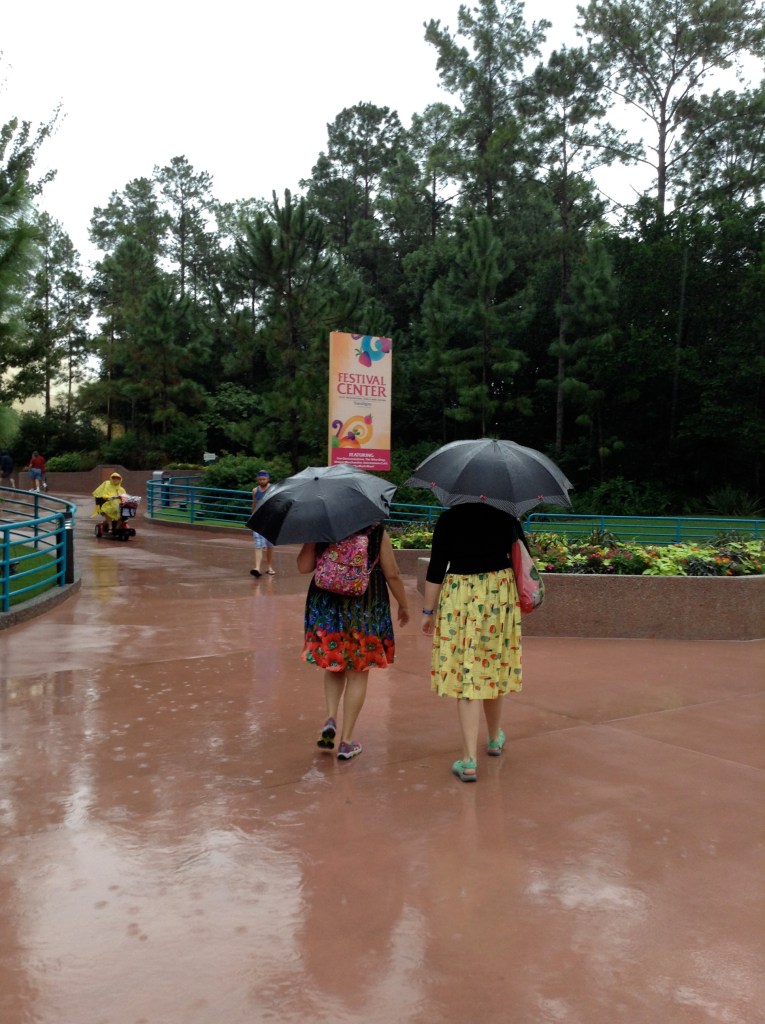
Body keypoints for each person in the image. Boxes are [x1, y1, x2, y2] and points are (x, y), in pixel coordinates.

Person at [420, 502, 527, 782]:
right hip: (498, 593)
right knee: (492, 664)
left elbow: (436, 567)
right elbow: (523, 557)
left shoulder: (449, 518)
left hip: (460, 595)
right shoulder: (506, 516)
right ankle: (493, 739)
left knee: (466, 670)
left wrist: (428, 612)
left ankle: (468, 761)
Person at [297, 524, 409, 761]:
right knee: (357, 674)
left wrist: (313, 535)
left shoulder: (324, 528)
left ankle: (330, 717)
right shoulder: (377, 533)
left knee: (334, 664)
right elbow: (392, 574)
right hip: (364, 607)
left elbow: (303, 567)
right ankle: (346, 741)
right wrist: (404, 605)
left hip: (326, 605)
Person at [250, 470, 275, 577]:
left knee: (270, 545)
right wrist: (252, 517)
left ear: (268, 479)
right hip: (258, 520)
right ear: (257, 479)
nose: (262, 481)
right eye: (260, 479)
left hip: (270, 520)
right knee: (258, 544)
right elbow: (254, 504)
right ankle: (257, 568)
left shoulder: (273, 489)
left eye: (264, 479)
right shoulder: (255, 490)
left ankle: (269, 566)